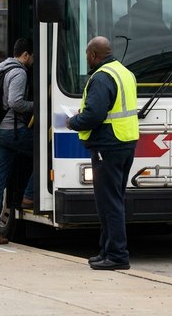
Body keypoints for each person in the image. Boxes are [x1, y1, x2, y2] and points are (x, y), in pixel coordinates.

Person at [66, 36, 139, 271]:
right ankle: (106, 250)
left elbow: (94, 115)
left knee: (109, 202)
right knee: (113, 199)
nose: (87, 59)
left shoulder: (101, 77)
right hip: (125, 142)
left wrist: (73, 121)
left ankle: (117, 254)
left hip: (108, 145)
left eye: (87, 55)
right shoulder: (124, 72)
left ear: (94, 55)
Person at [0, 38, 35, 245]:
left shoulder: (1, 69)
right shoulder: (19, 71)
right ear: (26, 55)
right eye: (32, 57)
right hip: (12, 132)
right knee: (46, 155)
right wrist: (37, 104)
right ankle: (29, 196)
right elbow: (15, 102)